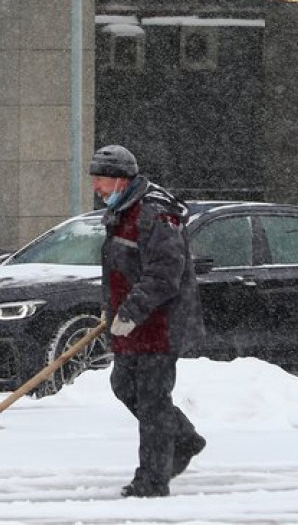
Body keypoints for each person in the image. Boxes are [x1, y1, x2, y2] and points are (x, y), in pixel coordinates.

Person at [90, 144, 207, 498]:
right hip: (132, 324)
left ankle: (152, 481)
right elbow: (121, 268)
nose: (97, 188)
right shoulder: (122, 211)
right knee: (124, 386)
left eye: (101, 180)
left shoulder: (155, 214)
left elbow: (164, 273)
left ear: (121, 180)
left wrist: (131, 310)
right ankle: (184, 439)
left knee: (153, 400)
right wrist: (112, 309)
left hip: (159, 324)